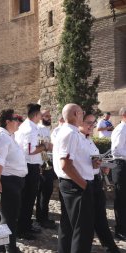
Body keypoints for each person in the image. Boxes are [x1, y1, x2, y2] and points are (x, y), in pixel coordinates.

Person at [53, 104, 95, 253]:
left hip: (71, 184)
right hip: (75, 186)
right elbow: (66, 165)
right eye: (82, 113)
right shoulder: (70, 133)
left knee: (68, 227)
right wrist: (84, 185)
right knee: (82, 231)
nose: (83, 115)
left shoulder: (69, 131)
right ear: (77, 113)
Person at [0, 109, 27, 253]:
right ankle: (10, 248)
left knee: (5, 218)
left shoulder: (9, 136)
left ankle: (1, 246)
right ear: (7, 122)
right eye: (15, 119)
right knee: (9, 219)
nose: (18, 122)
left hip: (11, 180)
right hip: (6, 181)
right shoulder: (2, 137)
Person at [81, 113, 120, 253]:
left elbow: (91, 159)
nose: (92, 126)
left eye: (93, 123)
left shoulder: (88, 139)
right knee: (87, 221)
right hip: (85, 183)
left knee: (100, 216)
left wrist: (102, 165)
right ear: (79, 122)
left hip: (96, 180)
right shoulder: (76, 139)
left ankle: (110, 246)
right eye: (88, 123)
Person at [15, 103, 49, 239]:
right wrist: (45, 146)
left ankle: (26, 225)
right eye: (40, 114)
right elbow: (30, 150)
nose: (41, 116)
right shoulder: (30, 129)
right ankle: (22, 230)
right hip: (29, 167)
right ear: (36, 115)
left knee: (28, 199)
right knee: (27, 199)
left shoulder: (28, 126)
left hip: (29, 165)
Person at [35, 109, 56, 229]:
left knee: (46, 192)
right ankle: (41, 219)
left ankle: (43, 217)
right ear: (41, 117)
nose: (49, 117)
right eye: (46, 116)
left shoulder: (47, 130)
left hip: (47, 161)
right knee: (43, 192)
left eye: (50, 115)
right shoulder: (39, 129)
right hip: (42, 164)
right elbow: (39, 146)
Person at [111, 107, 126, 241]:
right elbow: (116, 151)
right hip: (121, 166)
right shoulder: (121, 129)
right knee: (121, 199)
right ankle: (120, 230)